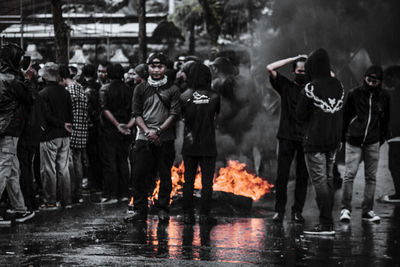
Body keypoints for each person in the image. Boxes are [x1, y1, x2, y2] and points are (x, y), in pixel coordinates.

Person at [125, 52, 180, 223]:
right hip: (143, 137)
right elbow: (136, 113)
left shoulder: (173, 89)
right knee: (139, 175)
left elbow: (174, 114)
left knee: (164, 175)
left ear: (165, 68)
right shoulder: (140, 89)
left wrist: (159, 132)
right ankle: (140, 210)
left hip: (165, 138)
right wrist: (148, 131)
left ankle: (163, 209)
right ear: (147, 68)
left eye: (160, 66)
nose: (156, 70)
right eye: (152, 66)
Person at [297, 48, 344, 235]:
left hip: (315, 142)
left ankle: (325, 224)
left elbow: (300, 115)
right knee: (329, 181)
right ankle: (328, 222)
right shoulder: (339, 85)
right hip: (333, 141)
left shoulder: (310, 88)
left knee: (320, 183)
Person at [340, 65, 390, 222]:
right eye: (369, 79)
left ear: (380, 81)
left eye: (375, 81)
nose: (371, 83)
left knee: (371, 177)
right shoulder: (354, 94)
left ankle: (367, 211)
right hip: (353, 140)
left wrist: (380, 138)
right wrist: (343, 137)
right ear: (364, 78)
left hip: (373, 142)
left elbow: (385, 120)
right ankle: (345, 209)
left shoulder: (384, 96)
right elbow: (345, 117)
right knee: (349, 175)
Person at [266, 55, 309, 223]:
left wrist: (313, 61)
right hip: (286, 137)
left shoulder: (312, 89)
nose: (302, 74)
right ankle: (279, 211)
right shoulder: (285, 85)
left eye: (305, 71)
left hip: (305, 139)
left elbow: (331, 78)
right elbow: (270, 67)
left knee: (302, 177)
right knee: (281, 176)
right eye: (299, 71)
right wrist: (295, 58)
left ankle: (297, 211)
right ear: (293, 71)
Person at [180, 62, 220, 225]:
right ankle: (204, 215)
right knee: (207, 183)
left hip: (189, 145)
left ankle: (187, 215)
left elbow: (183, 119)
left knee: (188, 181)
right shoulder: (215, 96)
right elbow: (215, 118)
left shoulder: (184, 96)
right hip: (208, 144)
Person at [0, 43, 35, 223]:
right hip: (10, 129)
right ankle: (20, 209)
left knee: (13, 169)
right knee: (5, 169)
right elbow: (30, 98)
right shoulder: (13, 81)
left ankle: (20, 208)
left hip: (4, 128)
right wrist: (27, 79)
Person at [39, 62, 73, 210]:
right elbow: (70, 115)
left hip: (49, 135)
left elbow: (45, 115)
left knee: (48, 169)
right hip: (65, 136)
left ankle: (50, 200)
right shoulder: (65, 92)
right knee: (63, 168)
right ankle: (66, 200)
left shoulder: (42, 94)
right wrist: (65, 126)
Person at [98, 63, 132, 204]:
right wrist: (126, 126)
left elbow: (104, 109)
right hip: (126, 128)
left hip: (109, 129)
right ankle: (124, 193)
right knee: (123, 161)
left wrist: (116, 124)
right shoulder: (129, 90)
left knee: (109, 162)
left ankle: (110, 194)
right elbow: (135, 110)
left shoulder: (105, 89)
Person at [60, 65, 89, 204]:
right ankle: (78, 192)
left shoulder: (68, 90)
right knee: (78, 161)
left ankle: (72, 192)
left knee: (70, 162)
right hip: (82, 128)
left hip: (72, 128)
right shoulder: (79, 87)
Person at [81, 64, 103, 193]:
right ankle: (98, 182)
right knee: (96, 156)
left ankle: (93, 183)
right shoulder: (98, 87)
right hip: (98, 126)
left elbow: (88, 110)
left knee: (90, 157)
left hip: (90, 127)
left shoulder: (86, 90)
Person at [382, 66, 400, 203]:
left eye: (388, 77)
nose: (385, 81)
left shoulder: (397, 93)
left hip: (397, 135)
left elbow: (394, 115)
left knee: (394, 165)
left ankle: (399, 194)